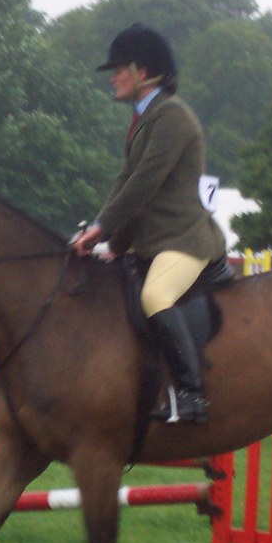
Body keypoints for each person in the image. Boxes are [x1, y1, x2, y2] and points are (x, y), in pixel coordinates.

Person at [72, 23, 227, 424]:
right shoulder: (145, 120)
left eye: (119, 68)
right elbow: (125, 184)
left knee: (155, 297)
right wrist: (109, 243)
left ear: (143, 72)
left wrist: (102, 229)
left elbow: (144, 185)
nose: (113, 77)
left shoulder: (172, 117)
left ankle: (193, 395)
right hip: (153, 242)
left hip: (184, 241)